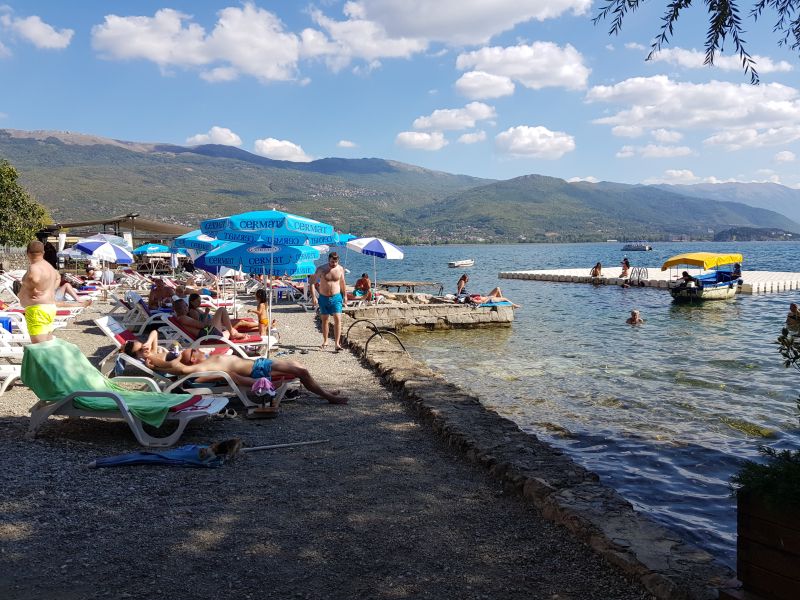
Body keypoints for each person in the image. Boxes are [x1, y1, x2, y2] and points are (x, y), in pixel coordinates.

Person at [148, 348, 348, 404]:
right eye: (194, 352)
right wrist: (170, 363)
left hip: (258, 364)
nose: (198, 350)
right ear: (192, 360)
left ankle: (325, 392)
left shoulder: (207, 358)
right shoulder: (201, 367)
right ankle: (329, 397)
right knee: (301, 371)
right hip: (259, 370)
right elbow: (181, 370)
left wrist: (152, 356)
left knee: (299, 366)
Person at [18, 240, 60, 343]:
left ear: (27, 253)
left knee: (39, 349)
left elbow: (34, 278)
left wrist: (31, 288)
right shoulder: (49, 267)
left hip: (37, 310)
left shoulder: (34, 267)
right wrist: (50, 289)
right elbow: (58, 277)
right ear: (43, 253)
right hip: (48, 308)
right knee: (47, 345)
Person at [311, 251, 347, 351]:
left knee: (337, 319)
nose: (333, 264)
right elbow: (312, 283)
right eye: (331, 262)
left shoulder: (340, 269)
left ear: (338, 261)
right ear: (328, 260)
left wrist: (345, 296)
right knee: (325, 320)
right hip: (323, 297)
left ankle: (337, 344)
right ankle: (325, 341)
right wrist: (314, 297)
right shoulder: (321, 269)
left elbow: (343, 283)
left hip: (336, 297)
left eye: (335, 262)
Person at [172, 298, 247, 341]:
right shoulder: (183, 318)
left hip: (208, 335)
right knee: (221, 309)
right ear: (181, 308)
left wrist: (209, 318)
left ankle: (245, 345)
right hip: (208, 335)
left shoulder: (181, 318)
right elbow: (202, 325)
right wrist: (211, 321)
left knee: (230, 330)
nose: (187, 306)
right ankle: (234, 334)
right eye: (185, 305)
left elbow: (201, 325)